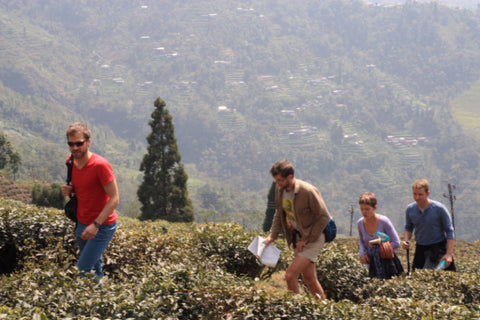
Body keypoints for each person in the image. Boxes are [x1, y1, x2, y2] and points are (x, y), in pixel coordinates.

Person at [265, 159, 331, 300]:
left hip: (314, 237)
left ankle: (296, 310)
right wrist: (272, 236)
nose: (278, 184)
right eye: (276, 180)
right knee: (309, 278)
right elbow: (279, 213)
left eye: (280, 180)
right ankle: (324, 310)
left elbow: (324, 217)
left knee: (290, 276)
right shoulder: (280, 190)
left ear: (290, 176)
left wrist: (307, 239)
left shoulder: (307, 191)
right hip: (298, 237)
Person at [61, 122, 119, 280]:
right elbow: (83, 187)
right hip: (82, 222)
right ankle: (101, 300)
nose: (74, 148)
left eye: (79, 143)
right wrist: (70, 189)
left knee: (83, 268)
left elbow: (114, 198)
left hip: (102, 225)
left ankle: (90, 302)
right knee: (94, 267)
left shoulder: (100, 165)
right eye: (71, 144)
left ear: (88, 142)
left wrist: (96, 225)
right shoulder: (71, 162)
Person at [401, 179, 455, 271]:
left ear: (427, 193)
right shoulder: (410, 209)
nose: (417, 197)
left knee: (430, 276)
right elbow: (408, 227)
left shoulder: (439, 209)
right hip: (420, 248)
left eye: (420, 194)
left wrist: (448, 254)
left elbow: (449, 231)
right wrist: (406, 240)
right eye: (415, 194)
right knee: (417, 278)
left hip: (437, 248)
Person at [357, 192, 403, 279]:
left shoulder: (384, 221)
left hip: (387, 263)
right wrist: (362, 254)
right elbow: (362, 241)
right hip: (370, 263)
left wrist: (378, 246)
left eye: (367, 209)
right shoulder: (360, 223)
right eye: (362, 209)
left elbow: (396, 242)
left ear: (375, 208)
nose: (364, 212)